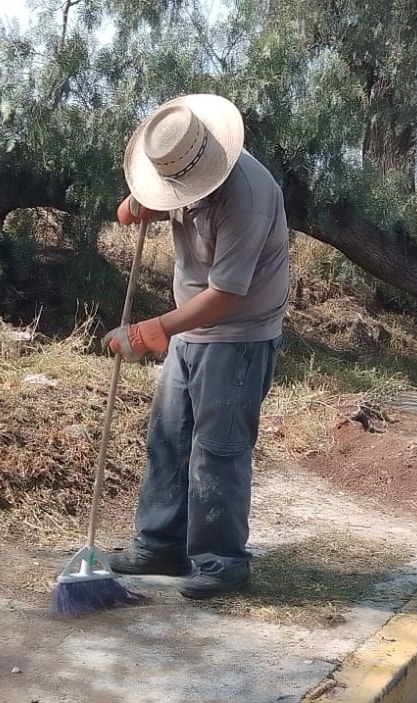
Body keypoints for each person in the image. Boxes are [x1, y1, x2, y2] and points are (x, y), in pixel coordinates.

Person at [102, 94, 290, 598]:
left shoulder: (243, 194)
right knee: (167, 437)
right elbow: (144, 204)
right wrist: (139, 203)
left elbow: (227, 294)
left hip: (238, 335)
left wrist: (151, 331)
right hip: (190, 328)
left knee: (217, 449)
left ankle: (221, 561)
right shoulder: (183, 167)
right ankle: (160, 545)